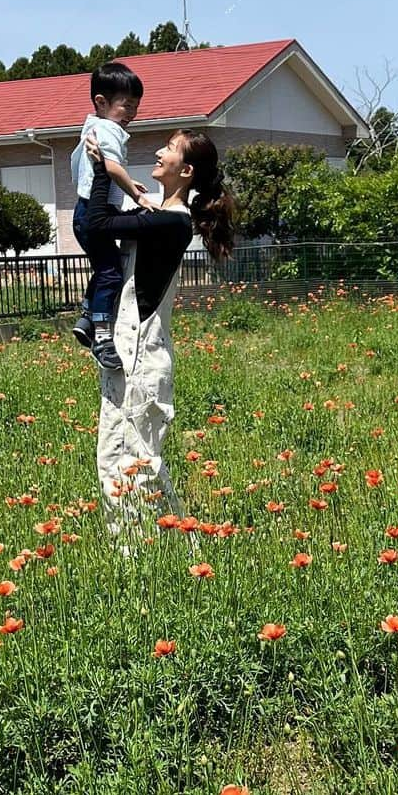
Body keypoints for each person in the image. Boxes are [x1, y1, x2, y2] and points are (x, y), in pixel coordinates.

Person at [84, 126, 237, 545]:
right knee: (113, 457)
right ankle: (130, 553)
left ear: (185, 170)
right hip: (127, 355)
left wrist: (102, 171)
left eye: (168, 149)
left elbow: (97, 224)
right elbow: (124, 220)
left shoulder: (172, 223)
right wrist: (129, 189)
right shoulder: (159, 216)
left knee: (140, 463)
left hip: (143, 361)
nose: (157, 152)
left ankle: (174, 551)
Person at [70, 62, 153, 370]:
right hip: (97, 214)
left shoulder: (91, 126)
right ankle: (102, 338)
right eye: (126, 106)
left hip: (85, 211)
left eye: (135, 107)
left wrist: (128, 183)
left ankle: (87, 316)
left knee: (106, 267)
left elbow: (80, 166)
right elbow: (111, 168)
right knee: (111, 273)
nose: (131, 113)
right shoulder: (108, 130)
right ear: (101, 103)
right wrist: (136, 193)